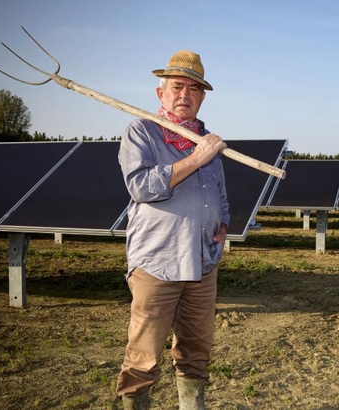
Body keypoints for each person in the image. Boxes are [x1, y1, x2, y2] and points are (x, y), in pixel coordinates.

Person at [116, 49, 229, 410]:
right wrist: (196, 158)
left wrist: (223, 223)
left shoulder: (208, 139)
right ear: (160, 93)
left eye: (194, 89)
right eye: (177, 86)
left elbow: (220, 193)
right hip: (158, 263)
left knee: (196, 349)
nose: (185, 94)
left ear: (202, 97)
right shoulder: (142, 132)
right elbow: (141, 187)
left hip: (202, 264)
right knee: (144, 352)